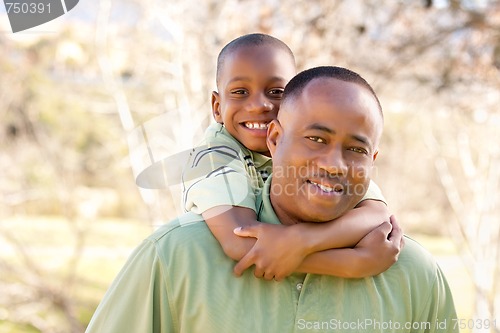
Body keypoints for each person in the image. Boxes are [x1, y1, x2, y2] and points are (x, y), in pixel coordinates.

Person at [86, 66, 457, 333]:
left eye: (355, 149)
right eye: (316, 139)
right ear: (275, 139)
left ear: (372, 161)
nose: (334, 165)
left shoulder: (414, 274)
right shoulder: (174, 257)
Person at [181, 33, 394, 280]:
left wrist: (303, 240)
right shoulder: (213, 157)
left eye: (276, 91)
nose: (259, 105)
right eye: (240, 91)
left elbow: (376, 213)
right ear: (217, 107)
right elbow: (241, 243)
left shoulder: (311, 149)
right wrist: (354, 263)